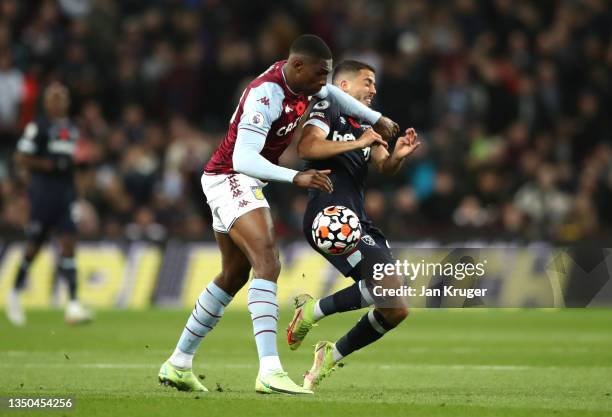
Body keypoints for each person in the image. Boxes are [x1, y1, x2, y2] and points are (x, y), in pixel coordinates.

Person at [158, 35, 399, 395]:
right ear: (298, 66)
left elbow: (332, 95)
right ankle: (269, 370)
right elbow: (242, 159)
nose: (324, 83)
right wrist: (296, 176)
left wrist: (376, 118)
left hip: (241, 180)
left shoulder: (306, 85)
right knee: (267, 262)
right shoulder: (265, 95)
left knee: (233, 275)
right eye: (320, 75)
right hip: (231, 176)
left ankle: (178, 363)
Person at [286, 60, 420, 390]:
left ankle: (331, 355)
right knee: (387, 288)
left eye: (375, 84)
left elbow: (383, 166)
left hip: (359, 220)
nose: (374, 89)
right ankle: (313, 312)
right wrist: (356, 143)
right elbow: (307, 146)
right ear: (343, 86)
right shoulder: (327, 108)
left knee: (396, 308)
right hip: (329, 217)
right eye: (367, 82)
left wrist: (397, 156)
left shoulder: (365, 124)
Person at [6, 82, 92, 326]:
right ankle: (14, 294)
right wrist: (49, 166)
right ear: (46, 102)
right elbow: (21, 156)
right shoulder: (38, 127)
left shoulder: (72, 128)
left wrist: (79, 193)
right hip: (43, 194)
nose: (58, 102)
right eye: (53, 97)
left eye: (61, 97)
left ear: (66, 101)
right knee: (34, 246)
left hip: (65, 195)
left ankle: (74, 304)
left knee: (68, 244)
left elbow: (77, 164)